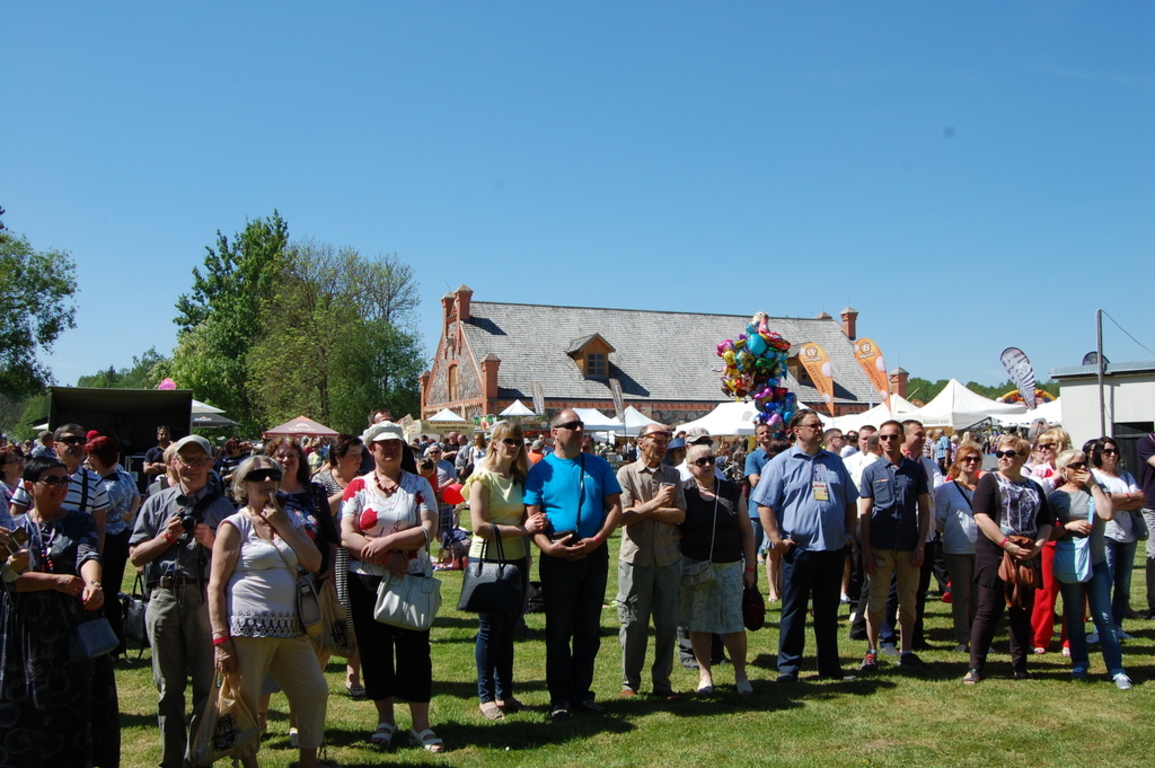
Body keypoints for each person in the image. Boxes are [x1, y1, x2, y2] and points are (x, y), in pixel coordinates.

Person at [208, 455, 328, 766]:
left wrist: (283, 525)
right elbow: (215, 586)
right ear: (242, 485)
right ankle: (249, 763)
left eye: (273, 475)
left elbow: (314, 562)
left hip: (292, 627)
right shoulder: (234, 525)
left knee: (314, 692)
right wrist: (221, 640)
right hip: (248, 628)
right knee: (245, 702)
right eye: (257, 476)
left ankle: (309, 762)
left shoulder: (290, 520)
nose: (266, 481)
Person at [0, 456, 119, 767]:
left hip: (74, 625)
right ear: (30, 487)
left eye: (64, 480)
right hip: (28, 630)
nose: (60, 486)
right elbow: (10, 581)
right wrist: (54, 580)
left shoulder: (80, 521)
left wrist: (93, 583)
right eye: (51, 480)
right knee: (34, 700)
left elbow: (88, 554)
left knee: (75, 699)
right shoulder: (14, 528)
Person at [130, 434, 233, 768]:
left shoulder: (223, 507)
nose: (193, 467)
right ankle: (171, 760)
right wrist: (166, 537)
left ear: (211, 464)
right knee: (167, 686)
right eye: (186, 460)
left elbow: (238, 559)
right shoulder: (156, 503)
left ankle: (199, 756)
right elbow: (136, 557)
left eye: (200, 460)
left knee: (206, 686)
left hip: (204, 598)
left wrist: (211, 541)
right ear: (174, 463)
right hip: (164, 595)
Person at [340, 421, 444, 753]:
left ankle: (420, 725)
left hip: (411, 579)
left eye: (396, 443)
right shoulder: (358, 486)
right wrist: (385, 559)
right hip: (366, 580)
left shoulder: (418, 484)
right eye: (383, 444)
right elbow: (347, 534)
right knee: (374, 652)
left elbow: (428, 529)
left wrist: (389, 542)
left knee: (415, 651)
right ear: (371, 449)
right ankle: (385, 720)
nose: (390, 448)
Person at [526, 409, 622, 719]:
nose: (579, 429)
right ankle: (560, 698)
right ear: (554, 433)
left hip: (593, 555)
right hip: (557, 557)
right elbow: (533, 519)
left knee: (588, 630)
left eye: (580, 425)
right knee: (558, 630)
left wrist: (597, 540)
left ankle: (582, 693)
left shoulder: (598, 465)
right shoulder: (541, 470)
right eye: (571, 425)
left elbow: (615, 508)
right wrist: (549, 549)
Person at [755, 409, 858, 682]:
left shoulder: (834, 462)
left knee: (828, 611)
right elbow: (764, 504)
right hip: (798, 549)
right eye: (813, 425)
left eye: (820, 424)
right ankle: (789, 668)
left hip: (832, 548)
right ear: (796, 431)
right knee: (794, 610)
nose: (819, 429)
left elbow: (850, 501)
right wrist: (776, 540)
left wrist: (849, 534)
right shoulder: (781, 463)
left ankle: (830, 667)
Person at [464, 420, 547, 719]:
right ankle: (486, 697)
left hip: (517, 560)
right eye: (508, 441)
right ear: (495, 443)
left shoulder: (520, 478)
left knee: (509, 629)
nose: (513, 446)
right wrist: (523, 530)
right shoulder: (482, 478)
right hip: (488, 560)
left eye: (518, 441)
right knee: (489, 630)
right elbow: (479, 527)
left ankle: (505, 694)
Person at [963, 435, 1053, 684]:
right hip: (995, 554)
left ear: (1022, 458)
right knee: (988, 611)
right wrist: (1006, 544)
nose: (1003, 458)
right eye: (1000, 454)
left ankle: (1020, 666)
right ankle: (975, 667)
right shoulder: (989, 481)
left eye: (1010, 454)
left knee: (1021, 611)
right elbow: (981, 516)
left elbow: (1045, 522)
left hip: (1026, 556)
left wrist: (1037, 547)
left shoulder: (1034, 486)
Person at [1046, 449, 1131, 689]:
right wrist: (1068, 527)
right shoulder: (1056, 497)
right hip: (1071, 563)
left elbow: (1107, 514)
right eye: (1076, 465)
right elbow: (1047, 532)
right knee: (1074, 616)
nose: (1082, 468)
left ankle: (1116, 669)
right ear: (1064, 470)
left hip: (1097, 562)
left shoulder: (1097, 489)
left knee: (1104, 617)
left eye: (1084, 463)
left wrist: (1093, 485)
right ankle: (1080, 663)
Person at [614, 422, 686, 699]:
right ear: (641, 443)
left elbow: (680, 515)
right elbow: (623, 517)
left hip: (668, 559)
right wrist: (656, 503)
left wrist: (643, 509)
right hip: (636, 559)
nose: (663, 444)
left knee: (667, 625)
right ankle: (629, 683)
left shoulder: (673, 475)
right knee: (633, 623)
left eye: (667, 439)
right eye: (658, 439)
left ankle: (662, 683)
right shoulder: (626, 473)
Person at [681, 442, 756, 694]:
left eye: (711, 460)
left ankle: (741, 675)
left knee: (733, 622)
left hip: (729, 565)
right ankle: (705, 675)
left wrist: (750, 568)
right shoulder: (684, 492)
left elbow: (747, 532)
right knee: (698, 622)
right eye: (700, 462)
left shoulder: (732, 490)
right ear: (690, 467)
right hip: (694, 566)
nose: (707, 465)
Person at [857, 420, 930, 672]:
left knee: (908, 601)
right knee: (877, 601)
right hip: (880, 545)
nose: (889, 441)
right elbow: (865, 513)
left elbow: (924, 509)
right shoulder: (871, 471)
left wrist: (921, 545)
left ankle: (906, 651)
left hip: (909, 544)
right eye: (884, 437)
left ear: (901, 439)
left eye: (893, 436)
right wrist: (866, 551)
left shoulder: (915, 470)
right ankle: (871, 651)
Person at [314, 434, 367, 698]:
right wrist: (348, 491)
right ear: (337, 457)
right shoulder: (321, 482)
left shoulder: (366, 480)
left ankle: (353, 676)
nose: (359, 459)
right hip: (330, 557)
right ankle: (316, 678)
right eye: (353, 454)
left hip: (359, 556)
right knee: (331, 618)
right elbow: (320, 513)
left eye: (360, 454)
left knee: (357, 620)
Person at [10, 423, 111, 550]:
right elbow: (14, 518)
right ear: (55, 446)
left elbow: (99, 527)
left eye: (82, 441)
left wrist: (95, 556)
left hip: (74, 554)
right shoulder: (35, 475)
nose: (77, 444)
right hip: (33, 550)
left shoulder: (94, 481)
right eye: (70, 440)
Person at [87, 434, 142, 657]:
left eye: (91, 456)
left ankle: (112, 646)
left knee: (107, 595)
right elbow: (137, 497)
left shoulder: (109, 486)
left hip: (109, 541)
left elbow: (93, 512)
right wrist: (129, 514)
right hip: (120, 537)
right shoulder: (125, 476)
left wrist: (128, 515)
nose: (88, 460)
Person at [1090, 437, 1145, 638]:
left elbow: (1141, 500)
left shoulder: (1126, 476)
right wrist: (1128, 497)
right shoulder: (1094, 476)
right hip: (1106, 534)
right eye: (1107, 451)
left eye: (1115, 451)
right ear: (1099, 454)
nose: (1112, 455)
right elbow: (1102, 502)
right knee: (1105, 582)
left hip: (1128, 535)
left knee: (1123, 584)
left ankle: (1117, 625)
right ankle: (1101, 627)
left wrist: (1114, 501)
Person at [935, 440, 984, 652]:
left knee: (981, 597)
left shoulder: (986, 487)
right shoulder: (947, 489)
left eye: (976, 459)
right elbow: (939, 519)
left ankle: (981, 638)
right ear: (958, 462)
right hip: (957, 548)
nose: (971, 463)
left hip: (982, 549)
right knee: (962, 595)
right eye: (966, 459)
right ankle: (963, 639)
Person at [1028, 427, 1072, 654]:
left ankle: (1070, 640)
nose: (1043, 450)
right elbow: (1034, 495)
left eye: (1049, 445)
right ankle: (1039, 639)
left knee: (1073, 592)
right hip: (1047, 534)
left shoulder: (1076, 468)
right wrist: (1054, 478)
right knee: (1045, 590)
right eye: (1041, 446)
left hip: (1074, 536)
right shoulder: (1039, 472)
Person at [745, 422, 783, 601]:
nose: (766, 435)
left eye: (768, 432)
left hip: (777, 510)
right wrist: (777, 480)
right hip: (756, 511)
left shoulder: (781, 454)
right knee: (752, 552)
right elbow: (754, 480)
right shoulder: (753, 457)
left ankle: (780, 587)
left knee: (777, 550)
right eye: (762, 433)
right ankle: (751, 588)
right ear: (757, 437)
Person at [0, 445, 26, 515]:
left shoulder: (25, 483)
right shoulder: (1, 489)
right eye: (15, 461)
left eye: (21, 459)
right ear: (2, 468)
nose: (21, 463)